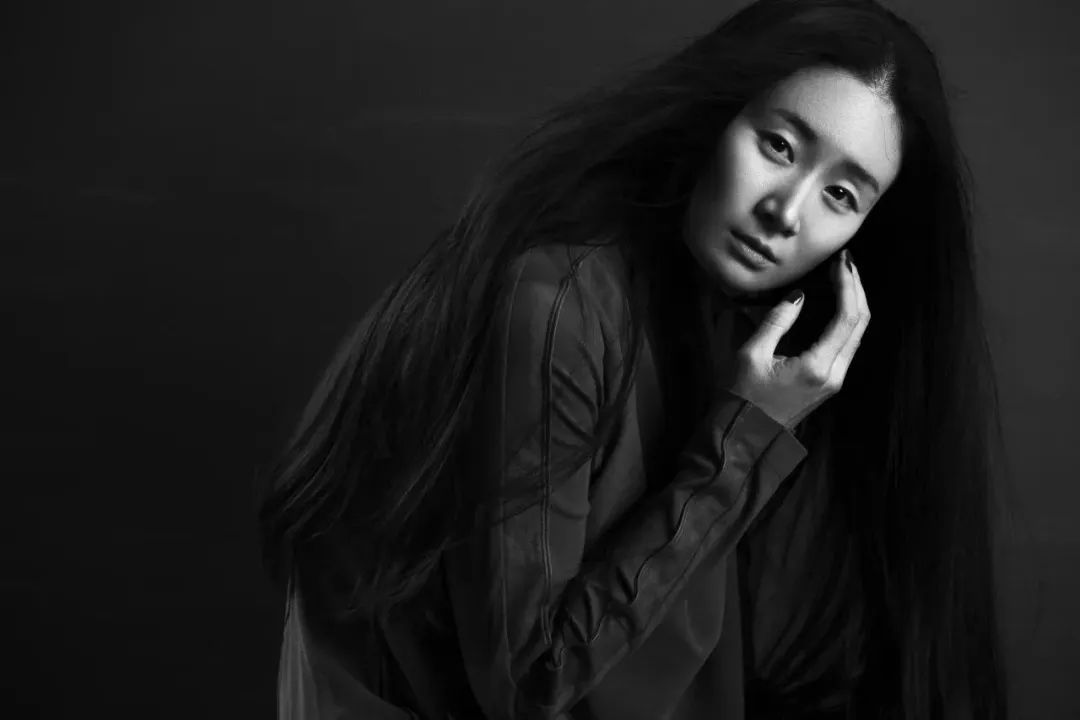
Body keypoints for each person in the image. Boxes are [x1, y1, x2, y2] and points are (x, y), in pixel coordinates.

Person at [258, 0, 1009, 717]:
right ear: (716, 117)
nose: (785, 211)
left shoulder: (740, 336)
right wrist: (744, 442)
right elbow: (527, 687)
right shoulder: (559, 302)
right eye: (779, 146)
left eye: (840, 195)